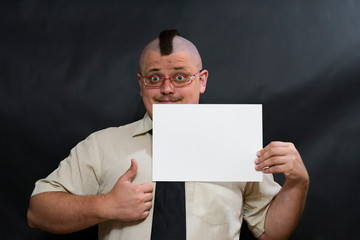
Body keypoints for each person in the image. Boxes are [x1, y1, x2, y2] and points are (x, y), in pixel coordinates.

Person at [27, 29, 309, 240]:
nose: (167, 89)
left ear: (202, 81)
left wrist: (297, 183)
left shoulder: (239, 144)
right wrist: (105, 205)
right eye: (153, 78)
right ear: (141, 85)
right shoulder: (102, 145)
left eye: (179, 76)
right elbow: (38, 212)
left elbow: (272, 233)